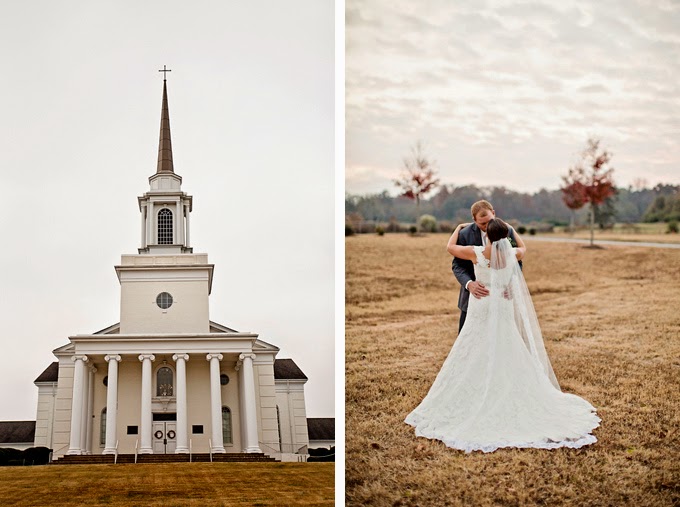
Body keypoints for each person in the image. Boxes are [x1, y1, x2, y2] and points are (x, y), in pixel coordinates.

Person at [404, 218, 600, 453]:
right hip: (502, 304)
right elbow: (524, 249)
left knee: (474, 347)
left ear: (486, 234)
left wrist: (456, 228)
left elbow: (450, 248)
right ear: (506, 238)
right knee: (508, 345)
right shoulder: (512, 255)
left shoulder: (477, 253)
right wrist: (514, 232)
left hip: (482, 304)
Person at [450, 200, 522, 333]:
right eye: (482, 223)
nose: (487, 226)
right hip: (475, 299)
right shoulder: (464, 234)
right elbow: (457, 265)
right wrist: (469, 283)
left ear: (494, 213)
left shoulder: (506, 230)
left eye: (490, 220)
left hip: (502, 299)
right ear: (474, 220)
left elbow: (517, 263)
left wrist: (513, 282)